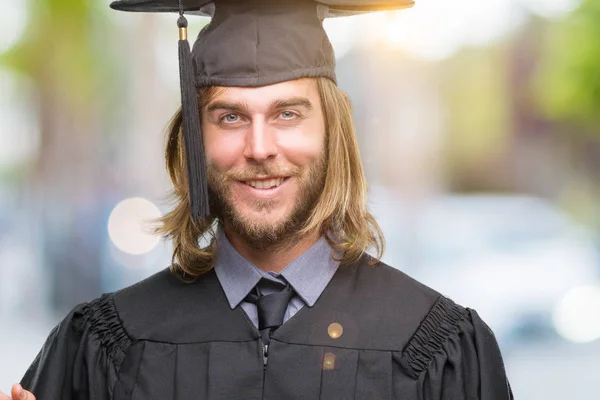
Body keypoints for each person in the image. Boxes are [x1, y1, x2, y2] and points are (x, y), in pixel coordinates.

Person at [2, 0, 514, 399]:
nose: (261, 147)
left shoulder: (440, 346)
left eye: (288, 114)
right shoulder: (104, 346)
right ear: (194, 140)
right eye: (230, 117)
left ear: (333, 133)